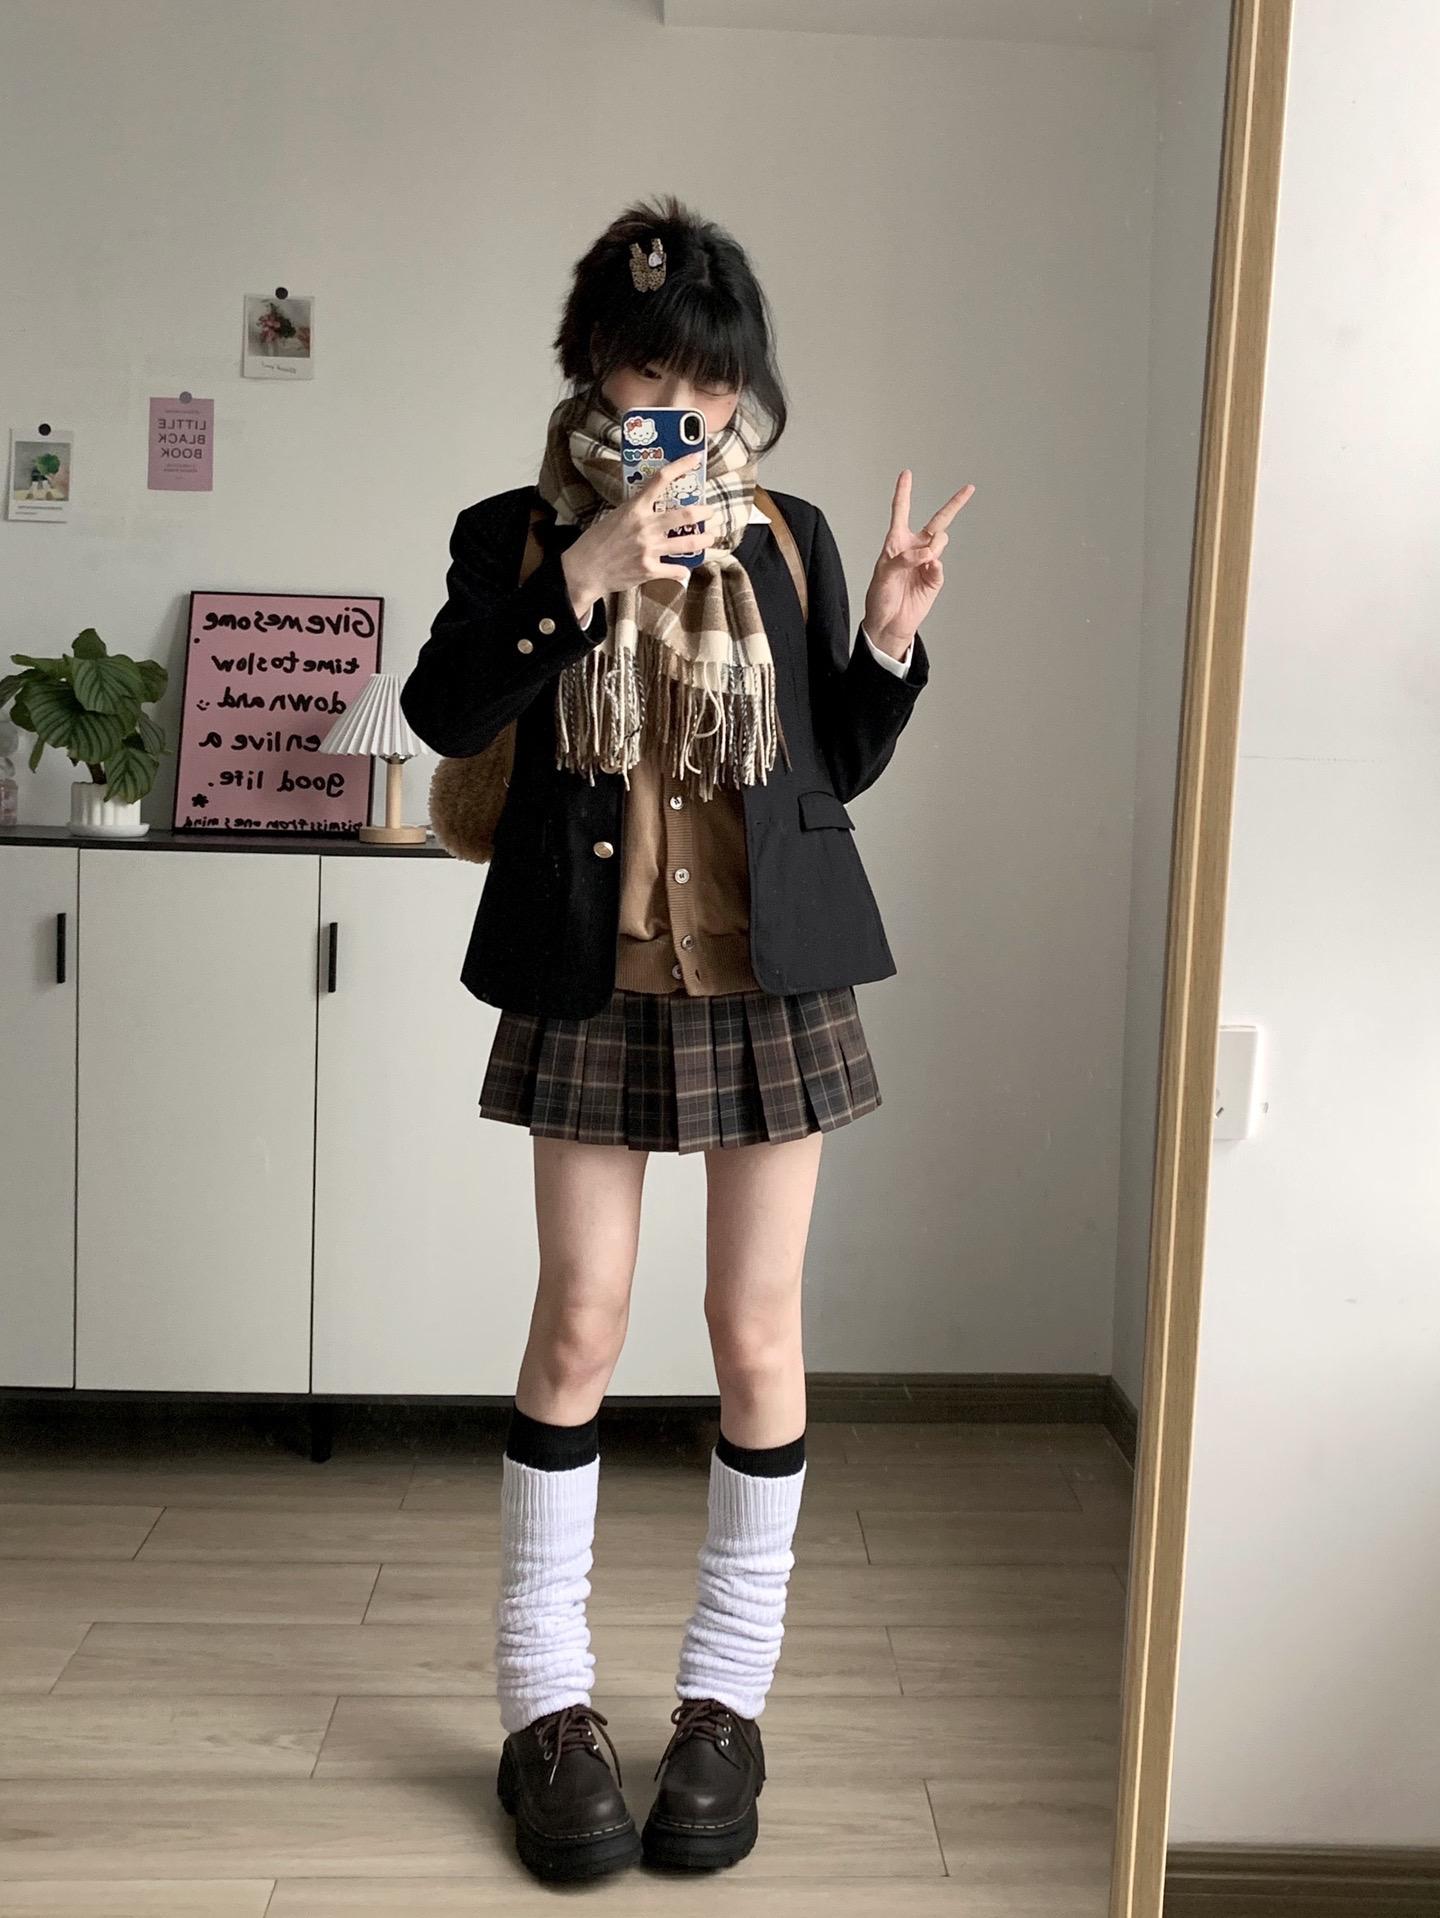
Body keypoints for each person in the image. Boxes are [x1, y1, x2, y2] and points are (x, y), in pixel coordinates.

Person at [399, 192, 972, 1884]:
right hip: (592, 969)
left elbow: (835, 760)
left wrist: (889, 631)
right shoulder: (516, 531)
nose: (686, 415)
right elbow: (442, 707)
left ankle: (726, 1702)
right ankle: (543, 1702)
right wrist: (582, 575)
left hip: (767, 978)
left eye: (713, 386)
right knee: (578, 1319)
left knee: (755, 1328)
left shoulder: (787, 534)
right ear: (595, 367)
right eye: (654, 379)